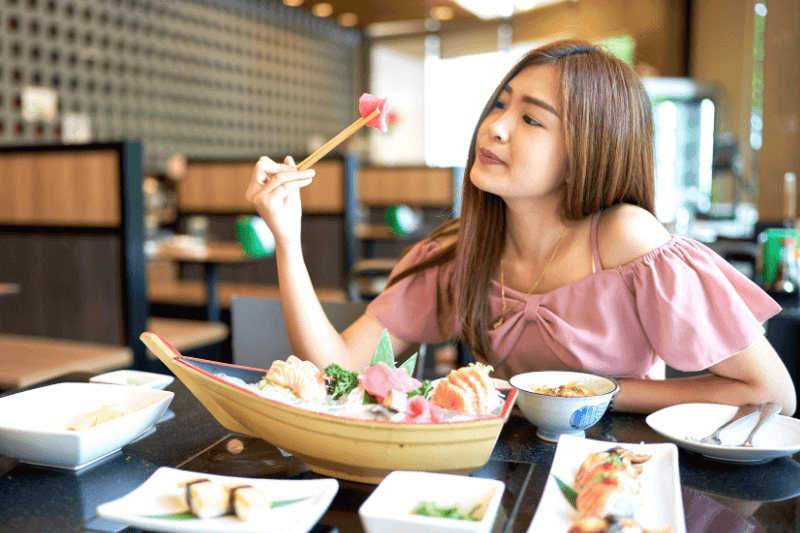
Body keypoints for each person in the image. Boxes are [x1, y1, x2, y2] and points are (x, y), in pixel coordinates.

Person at [246, 39, 796, 415]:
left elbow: (769, 391)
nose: (497, 127)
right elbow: (338, 370)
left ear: (589, 147)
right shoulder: (463, 247)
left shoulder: (627, 238)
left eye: (532, 118)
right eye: (500, 105)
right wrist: (288, 241)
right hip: (504, 474)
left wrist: (581, 392)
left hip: (621, 469)